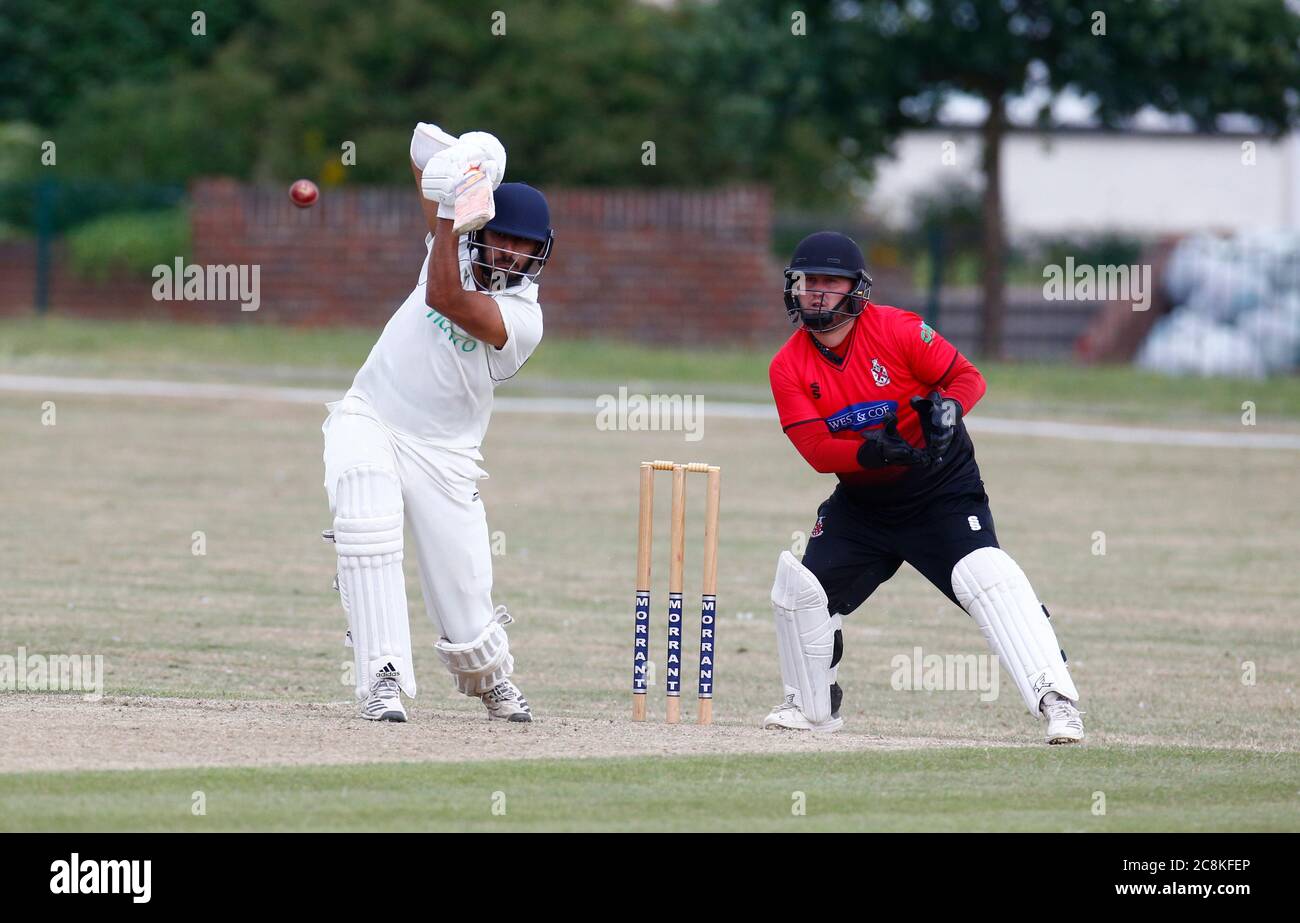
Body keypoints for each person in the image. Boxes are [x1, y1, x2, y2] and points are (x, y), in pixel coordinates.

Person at [764, 231, 1084, 744]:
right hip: (864, 504)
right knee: (800, 594)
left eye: (830, 282)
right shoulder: (787, 366)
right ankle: (810, 705)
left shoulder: (897, 329)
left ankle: (1058, 703)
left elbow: (966, 377)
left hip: (941, 491)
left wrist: (949, 409)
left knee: (989, 578)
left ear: (855, 289)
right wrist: (871, 453)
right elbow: (818, 451)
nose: (817, 292)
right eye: (807, 282)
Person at [321, 124, 554, 723]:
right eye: (499, 237)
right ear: (485, 227)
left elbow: (445, 300)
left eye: (521, 246)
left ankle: (490, 679)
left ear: (538, 254)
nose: (506, 253)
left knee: (466, 601)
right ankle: (382, 679)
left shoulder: (522, 318)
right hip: (371, 414)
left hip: (447, 453)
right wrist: (470, 165)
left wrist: (452, 214)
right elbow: (420, 147)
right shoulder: (450, 240)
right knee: (366, 522)